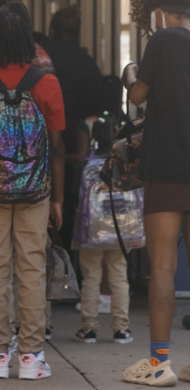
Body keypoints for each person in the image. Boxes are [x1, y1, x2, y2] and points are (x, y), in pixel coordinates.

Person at [0, 5, 65, 381]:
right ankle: (32, 356)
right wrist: (57, 199)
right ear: (27, 42)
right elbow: (57, 147)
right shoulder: (47, 83)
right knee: (33, 267)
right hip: (36, 190)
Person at [120, 0, 191, 386]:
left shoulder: (164, 41)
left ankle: (157, 364)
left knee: (163, 265)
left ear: (160, 14)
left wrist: (130, 72)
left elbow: (138, 96)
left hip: (167, 167)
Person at [41, 6, 107, 247]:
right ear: (79, 34)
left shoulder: (42, 56)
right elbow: (98, 105)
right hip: (75, 142)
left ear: (51, 30)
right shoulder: (85, 62)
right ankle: (66, 260)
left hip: (43, 139)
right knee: (69, 203)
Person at [75, 114, 133, 345]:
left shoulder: (85, 166)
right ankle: (121, 329)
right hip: (120, 229)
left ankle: (88, 329)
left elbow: (74, 198)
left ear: (93, 138)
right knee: (119, 276)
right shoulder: (126, 165)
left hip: (92, 231)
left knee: (90, 277)